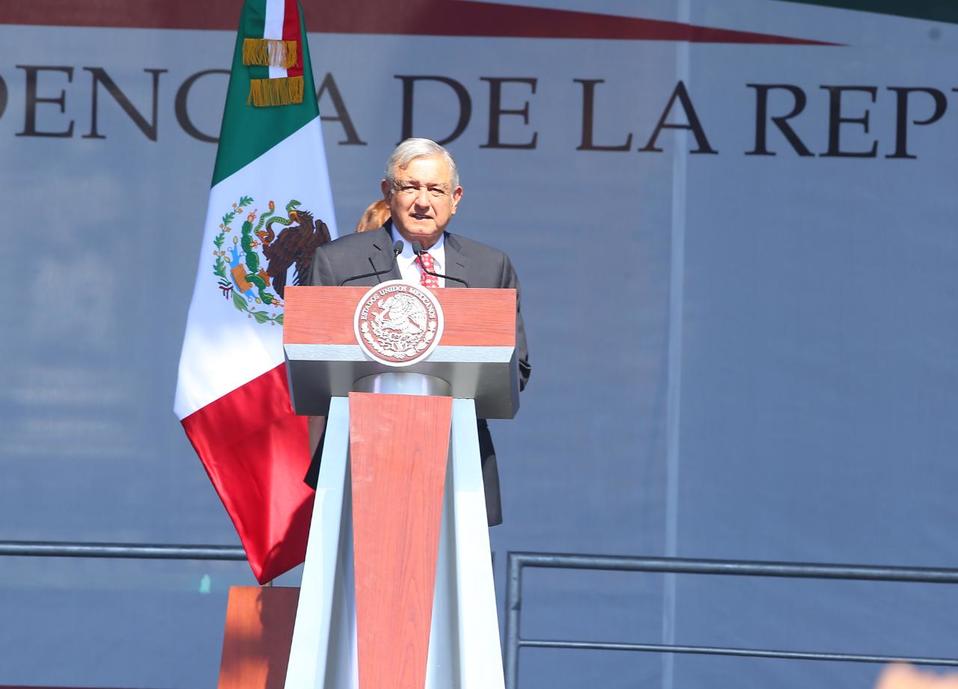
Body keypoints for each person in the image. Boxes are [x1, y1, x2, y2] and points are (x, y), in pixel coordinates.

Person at [305, 137, 530, 526]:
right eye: (410, 187)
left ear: (455, 197)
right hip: (358, 456)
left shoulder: (488, 268)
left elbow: (517, 369)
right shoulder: (339, 262)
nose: (422, 201)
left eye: (436, 189)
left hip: (455, 458)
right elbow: (310, 358)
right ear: (387, 192)